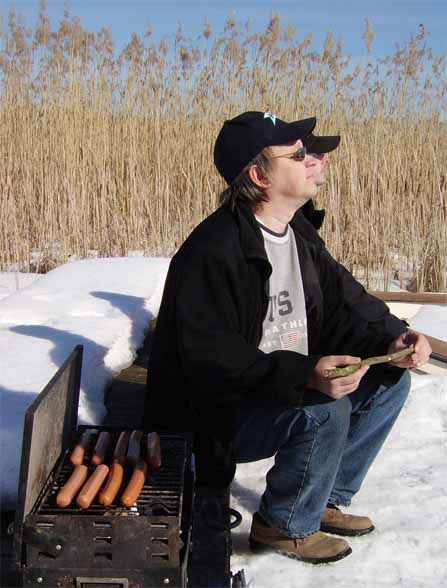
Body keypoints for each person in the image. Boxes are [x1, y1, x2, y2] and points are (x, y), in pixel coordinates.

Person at [145, 111, 432, 564]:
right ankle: (283, 525)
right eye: (299, 155)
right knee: (325, 410)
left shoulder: (298, 234)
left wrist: (395, 338)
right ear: (260, 177)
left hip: (276, 386)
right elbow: (212, 361)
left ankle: (323, 498)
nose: (315, 160)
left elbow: (346, 301)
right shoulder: (214, 251)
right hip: (218, 415)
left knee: (387, 384)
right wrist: (305, 376)